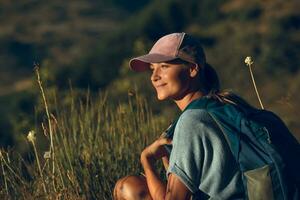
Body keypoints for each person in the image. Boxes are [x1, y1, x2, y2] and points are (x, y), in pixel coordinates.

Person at [113, 33, 299, 199]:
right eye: (152, 69)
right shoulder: (228, 105)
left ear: (192, 69)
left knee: (125, 190)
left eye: (164, 66)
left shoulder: (192, 121)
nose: (154, 76)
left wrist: (146, 160)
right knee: (129, 186)